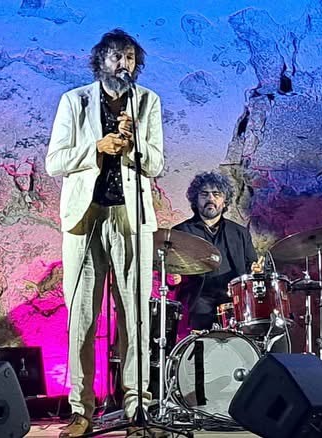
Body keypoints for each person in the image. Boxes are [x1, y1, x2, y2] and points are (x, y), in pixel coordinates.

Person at [46, 29, 164, 437]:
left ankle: (137, 407)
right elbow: (54, 162)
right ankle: (82, 409)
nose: (123, 63)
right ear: (100, 61)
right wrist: (96, 147)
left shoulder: (147, 102)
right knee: (81, 316)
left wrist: (133, 145)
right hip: (85, 218)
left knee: (136, 317)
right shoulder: (74, 100)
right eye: (115, 56)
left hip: (131, 219)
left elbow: (156, 164)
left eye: (129, 57)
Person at [172, 171, 259, 331]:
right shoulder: (180, 232)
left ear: (225, 201)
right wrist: (173, 278)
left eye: (216, 194)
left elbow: (251, 266)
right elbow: (170, 271)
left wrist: (256, 270)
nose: (210, 199)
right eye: (204, 194)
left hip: (235, 303)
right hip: (197, 303)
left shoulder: (240, 233)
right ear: (195, 200)